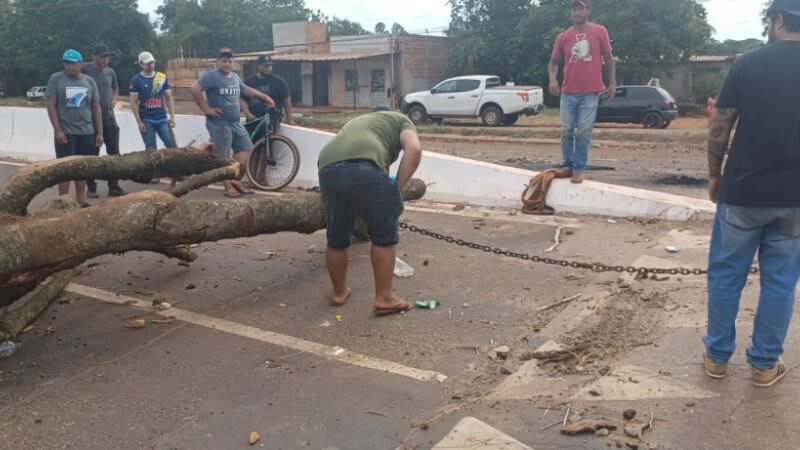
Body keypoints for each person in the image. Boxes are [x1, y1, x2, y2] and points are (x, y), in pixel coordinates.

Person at [702, 0, 800, 388]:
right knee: (780, 282)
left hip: (742, 191)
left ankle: (716, 359)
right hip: (795, 198)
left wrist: (714, 177)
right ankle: (763, 365)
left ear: (777, 21)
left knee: (726, 276)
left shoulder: (747, 63)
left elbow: (720, 128)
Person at [317, 107, 422, 315]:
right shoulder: (401, 120)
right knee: (384, 235)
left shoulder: (358, 122)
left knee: (336, 236)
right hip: (365, 165)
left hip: (327, 166)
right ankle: (384, 297)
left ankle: (338, 293)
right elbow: (414, 149)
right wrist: (397, 187)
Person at [190, 47, 275, 197]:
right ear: (217, 62)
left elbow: (246, 90)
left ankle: (234, 179)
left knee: (246, 148)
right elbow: (195, 88)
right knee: (224, 156)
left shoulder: (234, 76)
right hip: (219, 123)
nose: (227, 64)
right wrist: (206, 109)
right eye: (224, 61)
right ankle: (228, 187)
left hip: (235, 122)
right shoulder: (211, 76)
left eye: (230, 61)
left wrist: (264, 97)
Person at [548, 0, 616, 184]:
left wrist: (612, 84)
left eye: (581, 8)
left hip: (591, 92)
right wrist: (553, 80)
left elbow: (609, 60)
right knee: (566, 130)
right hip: (568, 92)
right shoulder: (563, 37)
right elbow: (553, 63)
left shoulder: (599, 31)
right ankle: (568, 165)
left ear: (588, 10)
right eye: (574, 9)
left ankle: (579, 168)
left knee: (583, 132)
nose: (577, 12)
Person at [45, 49, 102, 208]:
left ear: (81, 64)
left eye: (72, 63)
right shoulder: (56, 79)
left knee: (81, 169)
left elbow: (96, 107)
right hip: (66, 133)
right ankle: (63, 202)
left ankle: (80, 201)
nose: (68, 66)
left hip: (86, 132)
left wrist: (99, 133)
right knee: (64, 170)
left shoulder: (89, 81)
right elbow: (51, 106)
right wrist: (57, 130)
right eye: (66, 62)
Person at [82, 44, 126, 197]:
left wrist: (114, 99)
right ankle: (91, 187)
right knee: (92, 155)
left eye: (107, 56)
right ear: (94, 56)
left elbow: (115, 88)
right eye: (102, 56)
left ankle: (114, 186)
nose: (106, 59)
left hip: (109, 118)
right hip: (91, 120)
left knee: (114, 154)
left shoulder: (110, 72)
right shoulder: (85, 69)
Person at [129, 51, 176, 156]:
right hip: (146, 120)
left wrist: (172, 116)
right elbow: (133, 102)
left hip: (162, 119)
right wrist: (139, 122)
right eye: (147, 63)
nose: (150, 65)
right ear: (141, 64)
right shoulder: (136, 80)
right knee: (151, 150)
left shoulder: (161, 77)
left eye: (151, 62)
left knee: (171, 145)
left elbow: (169, 97)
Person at [240, 54, 295, 141]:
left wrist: (290, 120)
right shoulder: (249, 81)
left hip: (271, 119)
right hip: (253, 119)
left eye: (270, 65)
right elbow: (242, 99)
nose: (268, 68)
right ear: (258, 66)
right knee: (251, 146)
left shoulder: (279, 82)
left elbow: (287, 102)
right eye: (265, 66)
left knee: (266, 145)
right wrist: (248, 113)